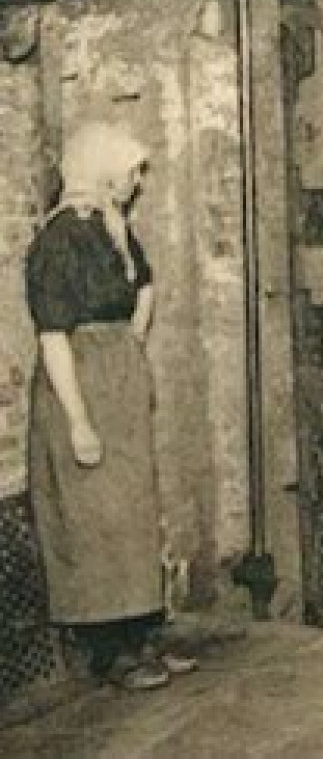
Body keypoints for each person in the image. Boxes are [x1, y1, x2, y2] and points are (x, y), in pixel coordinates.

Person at [25, 121, 196, 691]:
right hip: (79, 382)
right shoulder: (59, 238)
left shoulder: (111, 227)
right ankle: (112, 656)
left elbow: (143, 284)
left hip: (117, 377)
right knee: (97, 521)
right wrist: (78, 421)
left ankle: (144, 640)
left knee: (134, 515)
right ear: (99, 169)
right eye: (130, 171)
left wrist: (130, 344)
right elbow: (52, 336)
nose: (137, 180)